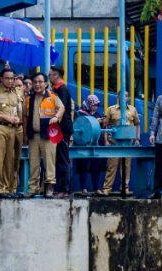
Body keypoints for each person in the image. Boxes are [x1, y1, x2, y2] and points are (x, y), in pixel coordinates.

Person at [0, 67, 25, 197]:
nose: (10, 81)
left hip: (13, 128)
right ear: (1, 79)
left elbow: (20, 109)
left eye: (12, 78)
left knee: (11, 159)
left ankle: (10, 188)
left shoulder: (16, 93)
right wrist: (6, 117)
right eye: (7, 78)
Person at [24, 72, 64, 197]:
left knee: (49, 162)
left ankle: (49, 188)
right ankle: (32, 189)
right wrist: (25, 134)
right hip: (33, 136)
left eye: (40, 82)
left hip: (48, 135)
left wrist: (56, 117)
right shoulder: (29, 99)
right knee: (34, 163)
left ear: (46, 84)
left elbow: (61, 108)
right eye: (35, 82)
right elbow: (25, 117)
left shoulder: (52, 97)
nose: (37, 84)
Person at [98, 92, 141, 197]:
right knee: (111, 166)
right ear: (117, 97)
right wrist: (106, 140)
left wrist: (137, 139)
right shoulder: (111, 109)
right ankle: (107, 189)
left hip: (128, 143)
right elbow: (106, 125)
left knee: (126, 167)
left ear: (128, 98)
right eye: (122, 96)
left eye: (126, 96)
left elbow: (137, 124)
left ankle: (125, 189)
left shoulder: (132, 110)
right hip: (114, 143)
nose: (124, 98)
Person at [48, 66, 74, 197]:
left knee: (63, 158)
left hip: (62, 128)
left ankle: (65, 189)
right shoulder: (57, 89)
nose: (49, 77)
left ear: (56, 76)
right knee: (59, 158)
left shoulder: (62, 90)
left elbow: (61, 109)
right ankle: (61, 188)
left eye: (50, 75)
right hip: (59, 128)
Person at [74, 95, 105, 195]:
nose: (96, 107)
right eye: (94, 105)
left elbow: (101, 129)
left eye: (97, 105)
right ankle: (84, 188)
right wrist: (96, 121)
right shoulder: (79, 114)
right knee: (84, 166)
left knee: (96, 166)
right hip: (84, 145)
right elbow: (80, 125)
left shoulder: (97, 114)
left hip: (96, 144)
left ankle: (96, 188)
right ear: (89, 104)